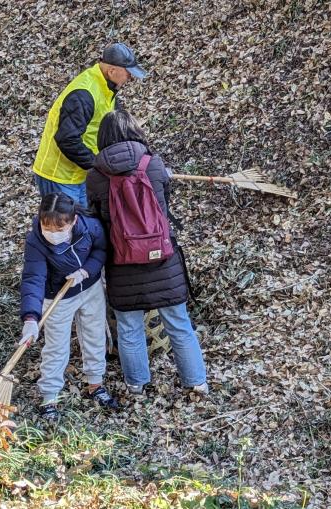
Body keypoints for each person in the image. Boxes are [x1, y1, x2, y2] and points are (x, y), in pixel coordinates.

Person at [86, 110, 208, 396]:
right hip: (162, 259)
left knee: (129, 327)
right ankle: (197, 382)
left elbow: (97, 217)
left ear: (102, 138)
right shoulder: (152, 164)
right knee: (178, 322)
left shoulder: (95, 176)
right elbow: (165, 204)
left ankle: (136, 385)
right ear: (134, 131)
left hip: (121, 261)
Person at [20, 193, 118, 422]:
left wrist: (86, 271)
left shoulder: (90, 226)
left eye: (59, 228)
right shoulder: (36, 240)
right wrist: (31, 318)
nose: (53, 233)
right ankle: (49, 397)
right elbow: (33, 278)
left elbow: (101, 250)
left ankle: (95, 384)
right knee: (56, 347)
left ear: (73, 221)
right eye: (47, 227)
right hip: (56, 298)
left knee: (94, 336)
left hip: (89, 289)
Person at [32, 43, 146, 206]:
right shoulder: (84, 94)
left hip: (82, 173)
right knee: (66, 226)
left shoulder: (108, 88)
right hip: (59, 176)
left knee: (86, 225)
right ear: (112, 70)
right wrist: (99, 165)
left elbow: (115, 126)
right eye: (128, 73)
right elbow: (67, 139)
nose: (130, 78)